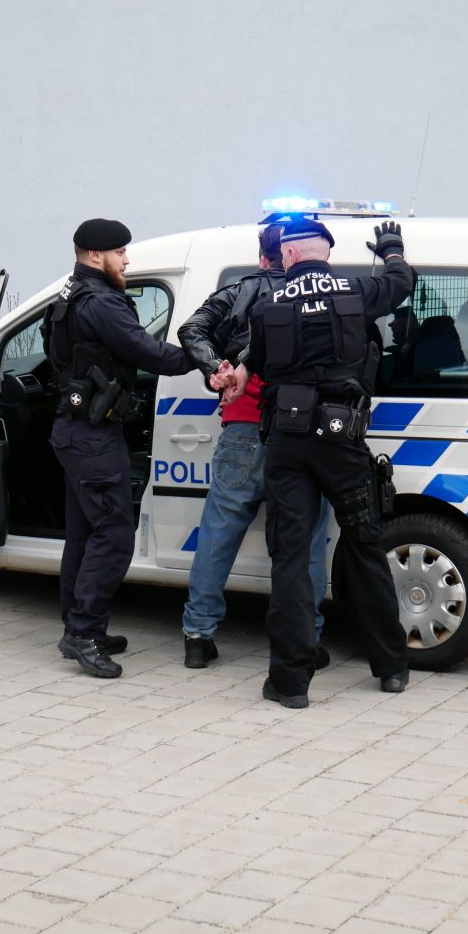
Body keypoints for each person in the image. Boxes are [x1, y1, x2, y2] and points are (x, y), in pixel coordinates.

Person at [217, 215, 415, 708]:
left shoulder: (268, 305)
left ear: (287, 255)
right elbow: (400, 283)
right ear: (326, 253)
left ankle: (290, 684)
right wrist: (391, 248)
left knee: (289, 558)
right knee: (365, 548)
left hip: (287, 442)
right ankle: (391, 668)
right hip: (342, 442)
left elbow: (258, 360)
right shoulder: (356, 290)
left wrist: (238, 372)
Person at [176, 223, 332, 670]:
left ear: (263, 258)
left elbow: (191, 329)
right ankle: (307, 638)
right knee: (306, 540)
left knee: (219, 532)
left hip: (243, 425)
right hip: (301, 430)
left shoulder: (241, 290)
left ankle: (198, 636)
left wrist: (218, 369)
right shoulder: (323, 293)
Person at [46, 218, 194, 678]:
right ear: (96, 255)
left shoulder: (69, 295)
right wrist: (202, 353)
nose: (127, 260)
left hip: (74, 430)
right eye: (120, 252)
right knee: (113, 535)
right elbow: (150, 353)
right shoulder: (102, 302)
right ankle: (85, 634)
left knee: (84, 535)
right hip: (92, 437)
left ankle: (77, 625)